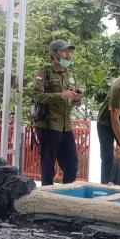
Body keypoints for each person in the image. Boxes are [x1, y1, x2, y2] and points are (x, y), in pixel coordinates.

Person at [32, 39, 83, 186]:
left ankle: (68, 197)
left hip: (66, 126)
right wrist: (60, 95)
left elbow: (76, 101)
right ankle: (47, 198)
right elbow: (37, 96)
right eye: (64, 51)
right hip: (49, 125)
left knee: (72, 164)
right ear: (54, 53)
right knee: (48, 166)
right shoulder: (44, 72)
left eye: (69, 51)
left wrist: (77, 98)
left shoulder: (71, 74)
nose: (68, 54)